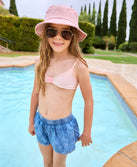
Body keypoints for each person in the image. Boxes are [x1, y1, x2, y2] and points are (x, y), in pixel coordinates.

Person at [28, 5, 94, 167]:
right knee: (47, 163)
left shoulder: (78, 66)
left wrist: (87, 131)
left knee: (58, 165)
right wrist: (31, 121)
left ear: (72, 37)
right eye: (52, 32)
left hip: (63, 127)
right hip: (41, 122)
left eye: (65, 33)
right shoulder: (40, 62)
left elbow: (89, 101)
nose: (58, 38)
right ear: (45, 34)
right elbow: (35, 93)